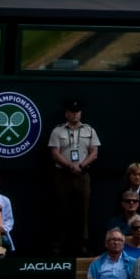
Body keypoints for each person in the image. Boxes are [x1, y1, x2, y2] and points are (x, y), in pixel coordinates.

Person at [43, 100, 99, 259]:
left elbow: (94, 152)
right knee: (61, 210)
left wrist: (81, 166)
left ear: (80, 113)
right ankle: (58, 246)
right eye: (72, 111)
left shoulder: (89, 130)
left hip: (83, 174)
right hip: (62, 175)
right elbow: (54, 153)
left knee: (83, 212)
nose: (75, 114)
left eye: (77, 111)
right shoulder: (58, 131)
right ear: (66, 113)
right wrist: (70, 166)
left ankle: (82, 246)